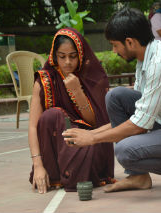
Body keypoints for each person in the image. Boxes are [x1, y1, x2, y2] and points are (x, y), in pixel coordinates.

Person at [63, 8, 161, 195]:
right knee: (116, 97)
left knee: (125, 151)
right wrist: (89, 134)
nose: (113, 51)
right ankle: (138, 176)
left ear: (130, 42)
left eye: (115, 45)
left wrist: (92, 138)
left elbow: (139, 125)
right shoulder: (144, 58)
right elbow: (139, 115)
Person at [28, 28, 114, 193]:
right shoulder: (45, 80)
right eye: (62, 56)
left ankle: (76, 174)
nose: (67, 62)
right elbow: (33, 126)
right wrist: (38, 166)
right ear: (54, 56)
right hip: (56, 148)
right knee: (53, 116)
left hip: (86, 141)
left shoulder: (93, 77)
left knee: (81, 156)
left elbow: (95, 123)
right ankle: (56, 174)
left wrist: (77, 92)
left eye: (73, 56)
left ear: (81, 55)